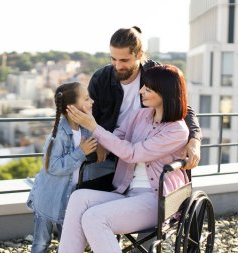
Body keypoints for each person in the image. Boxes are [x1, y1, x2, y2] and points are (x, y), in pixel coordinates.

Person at [58, 64, 190, 253]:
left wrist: (95, 127)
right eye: (143, 86)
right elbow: (117, 138)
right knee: (79, 197)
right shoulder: (139, 115)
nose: (141, 91)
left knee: (95, 218)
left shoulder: (177, 130)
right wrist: (87, 131)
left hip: (157, 200)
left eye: (148, 89)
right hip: (127, 191)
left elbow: (133, 153)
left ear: (165, 94)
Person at [87, 26, 201, 175]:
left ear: (139, 55)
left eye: (124, 60)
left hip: (146, 152)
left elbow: (182, 107)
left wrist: (195, 140)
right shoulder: (101, 78)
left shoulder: (154, 73)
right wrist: (99, 143)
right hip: (110, 149)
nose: (118, 65)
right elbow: (88, 116)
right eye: (113, 59)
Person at [26, 82, 98, 253]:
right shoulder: (58, 134)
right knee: (41, 243)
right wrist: (81, 152)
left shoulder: (85, 130)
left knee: (69, 242)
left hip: (70, 199)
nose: (92, 101)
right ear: (72, 108)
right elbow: (53, 166)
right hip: (49, 198)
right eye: (87, 99)